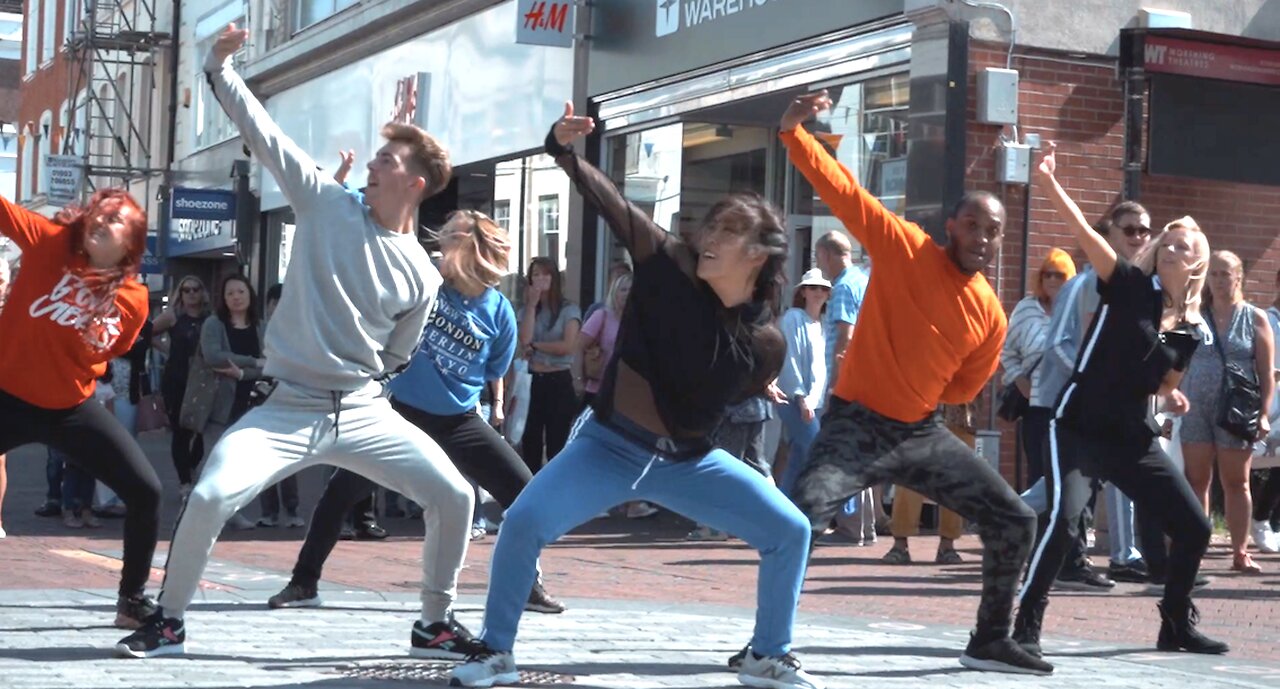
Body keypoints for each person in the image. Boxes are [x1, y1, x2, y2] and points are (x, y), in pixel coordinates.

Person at [115, 23, 473, 659]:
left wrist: (358, 377)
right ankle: (168, 620)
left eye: (386, 160)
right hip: (287, 407)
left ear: (414, 183)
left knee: (455, 494)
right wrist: (220, 67)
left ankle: (434, 623)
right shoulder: (326, 203)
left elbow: (398, 354)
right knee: (211, 494)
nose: (371, 162)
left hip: (363, 410)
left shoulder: (422, 271)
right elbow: (265, 136)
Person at [449, 103, 821, 689]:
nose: (711, 237)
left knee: (789, 530)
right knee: (522, 523)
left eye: (729, 232)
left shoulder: (764, 343)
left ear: (759, 254)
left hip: (688, 462)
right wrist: (564, 150)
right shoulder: (667, 263)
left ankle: (765, 654)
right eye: (712, 226)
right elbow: (612, 204)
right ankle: (495, 650)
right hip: (607, 447)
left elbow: (717, 401)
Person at [781, 91, 1048, 675]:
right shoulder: (904, 247)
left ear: (1001, 240)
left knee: (1015, 518)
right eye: (971, 224)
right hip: (856, 423)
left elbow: (959, 392)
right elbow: (845, 194)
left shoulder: (991, 315)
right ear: (951, 226)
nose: (981, 235)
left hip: (921, 432)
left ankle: (991, 640)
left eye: (993, 229)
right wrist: (795, 132)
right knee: (798, 519)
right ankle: (769, 644)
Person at [266, 209, 566, 620]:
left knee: (525, 494)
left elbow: (497, 367)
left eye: (453, 240)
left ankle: (527, 585)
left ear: (476, 251)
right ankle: (304, 582)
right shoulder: (428, 286)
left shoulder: (497, 310)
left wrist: (486, 399)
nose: (443, 247)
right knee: (340, 493)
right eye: (444, 239)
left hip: (459, 420)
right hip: (399, 414)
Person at [1016, 144, 1226, 658]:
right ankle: (1022, 629)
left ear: (1198, 262)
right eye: (1168, 242)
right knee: (1065, 519)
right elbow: (1087, 237)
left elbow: (1160, 385)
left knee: (1195, 528)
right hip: (1077, 425)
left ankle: (1175, 625)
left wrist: (1173, 398)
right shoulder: (1129, 283)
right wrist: (1045, 181)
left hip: (1131, 436)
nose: (1173, 250)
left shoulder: (1191, 327)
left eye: (1185, 247)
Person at [0, 186, 161, 627]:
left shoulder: (134, 299)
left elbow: (116, 348)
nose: (102, 222)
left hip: (70, 409)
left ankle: (131, 601)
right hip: (6, 396)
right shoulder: (48, 239)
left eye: (116, 219)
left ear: (131, 242)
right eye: (99, 213)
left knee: (146, 491)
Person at [1034, 206, 1164, 587]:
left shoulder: (1140, 285)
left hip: (1114, 406)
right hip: (1071, 406)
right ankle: (1008, 524)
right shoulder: (1085, 285)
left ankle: (1125, 557)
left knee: (1103, 480)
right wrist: (1089, 379)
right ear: (1109, 235)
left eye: (1145, 230)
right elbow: (1057, 345)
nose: (1139, 237)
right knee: (1064, 490)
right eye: (1130, 229)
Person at [1179, 250, 1273, 574]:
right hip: (1196, 407)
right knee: (1196, 480)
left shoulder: (1255, 318)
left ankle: (1240, 551)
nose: (1219, 280)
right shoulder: (1194, 315)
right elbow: (1173, 355)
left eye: (1226, 273)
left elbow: (1265, 370)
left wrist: (1263, 412)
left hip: (1236, 408)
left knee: (1237, 481)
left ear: (1239, 277)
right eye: (1214, 274)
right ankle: (1195, 548)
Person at [577, 271, 657, 521]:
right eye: (622, 289)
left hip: (631, 394)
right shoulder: (603, 315)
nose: (627, 295)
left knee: (632, 447)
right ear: (614, 292)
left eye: (632, 290)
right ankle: (594, 500)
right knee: (598, 447)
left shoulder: (642, 319)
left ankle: (632, 502)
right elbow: (578, 346)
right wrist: (576, 379)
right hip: (600, 391)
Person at [518, 257, 581, 473]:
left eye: (546, 274)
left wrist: (536, 346)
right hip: (533, 380)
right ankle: (528, 487)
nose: (541, 279)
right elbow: (524, 339)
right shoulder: (528, 310)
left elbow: (567, 346)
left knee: (557, 442)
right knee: (530, 440)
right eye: (536, 274)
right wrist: (531, 305)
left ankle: (556, 493)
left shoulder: (569, 309)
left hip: (559, 380)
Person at [153, 274, 210, 496]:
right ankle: (184, 481)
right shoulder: (173, 317)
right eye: (187, 290)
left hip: (201, 381)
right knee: (180, 432)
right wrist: (166, 350)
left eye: (196, 289)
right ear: (181, 293)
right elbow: (148, 333)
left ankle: (191, 467)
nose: (192, 293)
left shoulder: (210, 318)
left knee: (202, 430)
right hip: (176, 380)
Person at [776, 268, 830, 497]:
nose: (818, 292)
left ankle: (784, 509)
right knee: (818, 454)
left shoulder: (826, 324)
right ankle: (824, 514)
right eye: (813, 287)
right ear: (803, 291)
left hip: (817, 402)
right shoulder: (793, 318)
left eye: (823, 288)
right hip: (794, 400)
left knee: (798, 459)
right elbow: (790, 361)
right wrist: (801, 398)